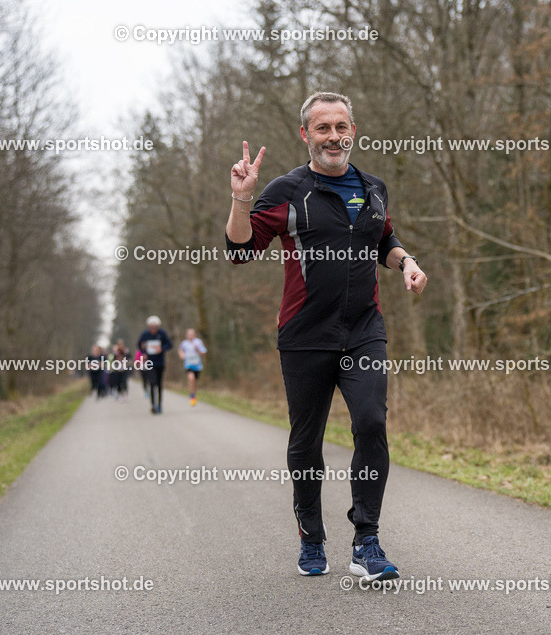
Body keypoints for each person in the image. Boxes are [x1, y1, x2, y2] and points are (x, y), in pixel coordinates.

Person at [225, 92, 427, 580]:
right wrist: (241, 198)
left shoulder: (374, 188)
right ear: (305, 135)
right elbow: (239, 250)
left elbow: (383, 238)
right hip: (304, 335)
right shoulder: (286, 190)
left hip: (363, 332)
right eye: (323, 128)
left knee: (372, 424)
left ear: (353, 129)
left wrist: (407, 262)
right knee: (306, 441)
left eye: (341, 126)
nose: (333, 136)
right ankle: (312, 539)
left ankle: (367, 541)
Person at [137, 315, 172, 414]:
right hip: (149, 363)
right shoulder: (145, 334)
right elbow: (139, 345)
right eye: (151, 327)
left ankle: (160, 404)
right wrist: (143, 352)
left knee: (159, 384)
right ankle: (153, 405)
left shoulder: (162, 333)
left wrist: (162, 348)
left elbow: (169, 344)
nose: (153, 329)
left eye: (155, 327)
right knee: (152, 383)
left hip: (160, 362)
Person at [177, 329, 208, 406]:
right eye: (189, 334)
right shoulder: (184, 343)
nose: (190, 335)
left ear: (195, 335)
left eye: (192, 334)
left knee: (195, 382)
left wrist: (197, 349)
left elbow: (204, 352)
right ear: (186, 335)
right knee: (191, 378)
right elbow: (180, 351)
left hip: (197, 365)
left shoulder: (198, 342)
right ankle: (192, 396)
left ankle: (193, 393)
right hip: (188, 364)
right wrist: (182, 355)